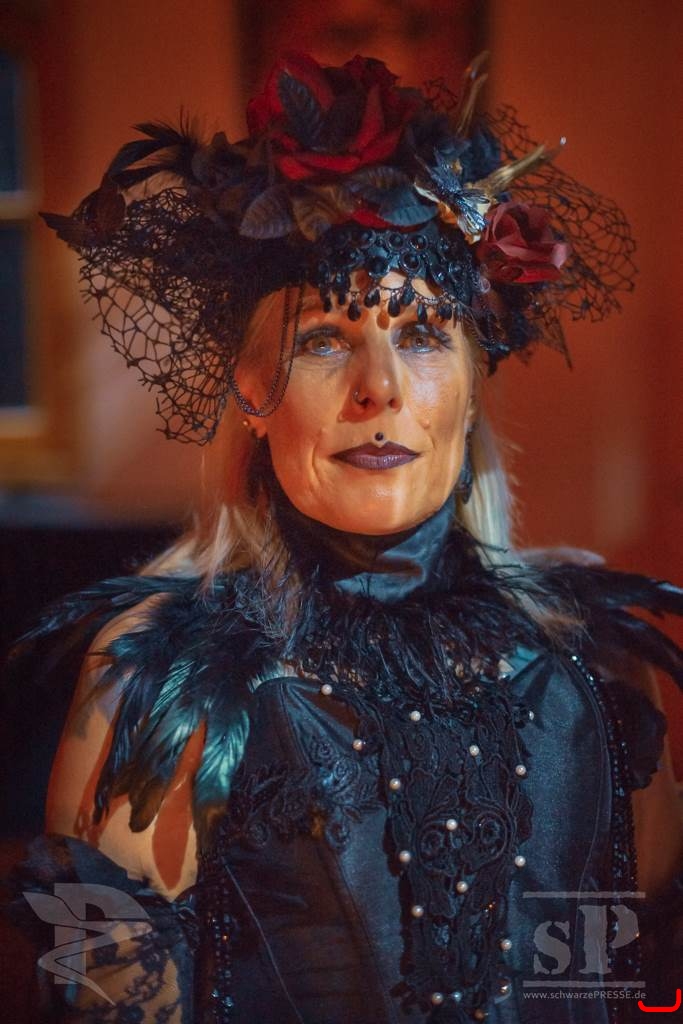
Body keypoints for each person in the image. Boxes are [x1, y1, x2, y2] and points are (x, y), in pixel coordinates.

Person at [5, 51, 683, 1023]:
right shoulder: (159, 678)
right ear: (251, 392)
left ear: (470, 386)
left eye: (421, 335)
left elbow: (627, 983)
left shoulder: (599, 663)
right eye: (324, 339)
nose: (379, 390)